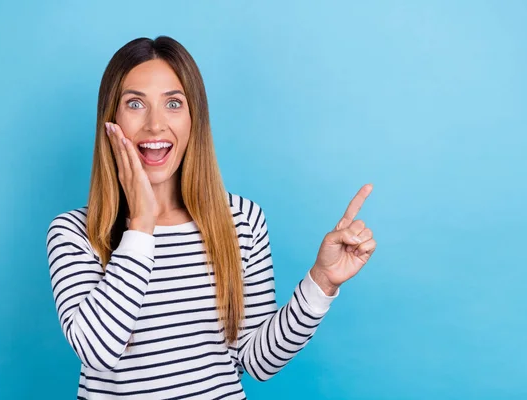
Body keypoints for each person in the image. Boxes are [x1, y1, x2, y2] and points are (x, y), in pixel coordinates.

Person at [45, 35, 376, 400]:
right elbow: (96, 351)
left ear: (194, 119)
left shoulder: (242, 220)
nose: (155, 125)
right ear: (111, 119)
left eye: (173, 103)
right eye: (135, 103)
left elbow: (257, 360)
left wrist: (322, 282)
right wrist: (140, 226)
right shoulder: (74, 233)